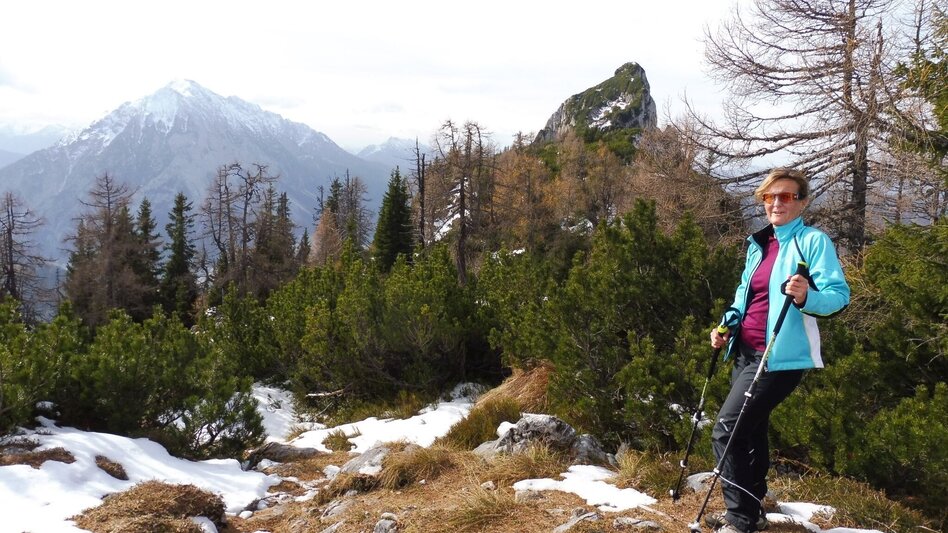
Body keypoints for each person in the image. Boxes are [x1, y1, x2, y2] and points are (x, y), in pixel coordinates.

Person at [707, 168, 850, 533]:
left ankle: (739, 519)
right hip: (745, 351)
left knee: (726, 429)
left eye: (785, 196)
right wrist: (726, 325)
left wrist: (806, 297)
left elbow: (838, 296)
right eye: (769, 197)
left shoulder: (813, 241)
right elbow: (744, 296)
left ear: (802, 202)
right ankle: (751, 512)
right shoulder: (759, 244)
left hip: (779, 358)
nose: (775, 203)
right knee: (750, 432)